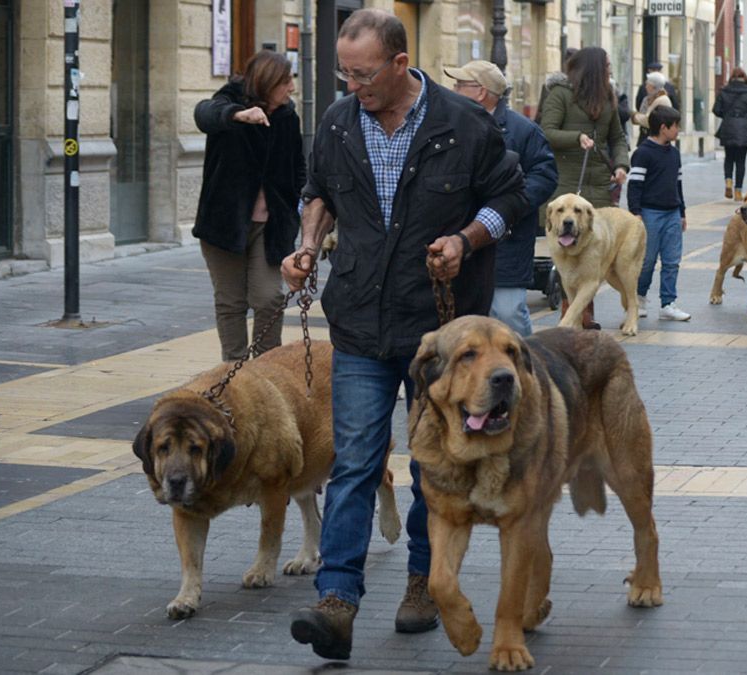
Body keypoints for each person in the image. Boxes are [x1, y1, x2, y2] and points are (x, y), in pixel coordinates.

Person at [280, 9, 527, 662]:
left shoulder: (463, 122)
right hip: (360, 320)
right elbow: (318, 193)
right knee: (356, 459)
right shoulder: (338, 123)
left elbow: (510, 200)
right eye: (344, 73)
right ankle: (337, 600)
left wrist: (465, 239)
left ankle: (422, 580)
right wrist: (305, 245)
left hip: (442, 336)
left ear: (398, 64)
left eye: (363, 74)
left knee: (431, 466)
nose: (352, 84)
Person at [193, 50, 304, 362]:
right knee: (230, 302)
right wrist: (238, 115)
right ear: (268, 83)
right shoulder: (229, 103)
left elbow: (298, 167)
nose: (291, 88)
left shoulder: (287, 116)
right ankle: (234, 370)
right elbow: (204, 113)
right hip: (224, 224)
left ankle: (268, 368)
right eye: (286, 81)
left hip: (270, 227)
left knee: (269, 298)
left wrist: (297, 207)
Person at [445, 60, 558, 335]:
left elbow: (545, 176)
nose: (454, 89)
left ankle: (529, 371)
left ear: (481, 92)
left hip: (507, 242)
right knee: (465, 319)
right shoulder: (448, 125)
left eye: (461, 85)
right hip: (459, 236)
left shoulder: (524, 131)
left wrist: (510, 205)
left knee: (508, 315)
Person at [540, 46, 630, 330]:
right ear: (593, 69)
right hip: (567, 184)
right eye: (605, 65)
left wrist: (620, 165)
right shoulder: (560, 94)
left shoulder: (608, 99)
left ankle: (583, 316)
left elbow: (617, 137)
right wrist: (575, 137)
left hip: (599, 188)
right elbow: (546, 130)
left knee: (593, 253)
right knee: (567, 252)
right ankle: (572, 317)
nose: (610, 69)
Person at [629, 105, 689, 321]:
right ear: (664, 128)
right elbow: (634, 185)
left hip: (672, 213)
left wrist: (682, 212)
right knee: (646, 261)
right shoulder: (642, 154)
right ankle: (639, 298)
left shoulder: (674, 154)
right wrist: (636, 212)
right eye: (676, 126)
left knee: (672, 260)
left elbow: (678, 184)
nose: (678, 130)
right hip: (649, 214)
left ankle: (668, 303)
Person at [712, 67, 747, 200]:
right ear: (745, 78)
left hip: (728, 127)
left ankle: (728, 181)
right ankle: (738, 191)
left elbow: (716, 109)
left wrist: (727, 115)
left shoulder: (724, 91)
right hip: (744, 128)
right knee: (741, 160)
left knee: (728, 157)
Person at [632, 71, 673, 143]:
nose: (646, 86)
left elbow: (650, 120)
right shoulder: (647, 99)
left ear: (654, 86)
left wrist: (633, 116)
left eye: (648, 84)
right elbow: (642, 112)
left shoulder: (663, 100)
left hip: (656, 140)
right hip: (644, 136)